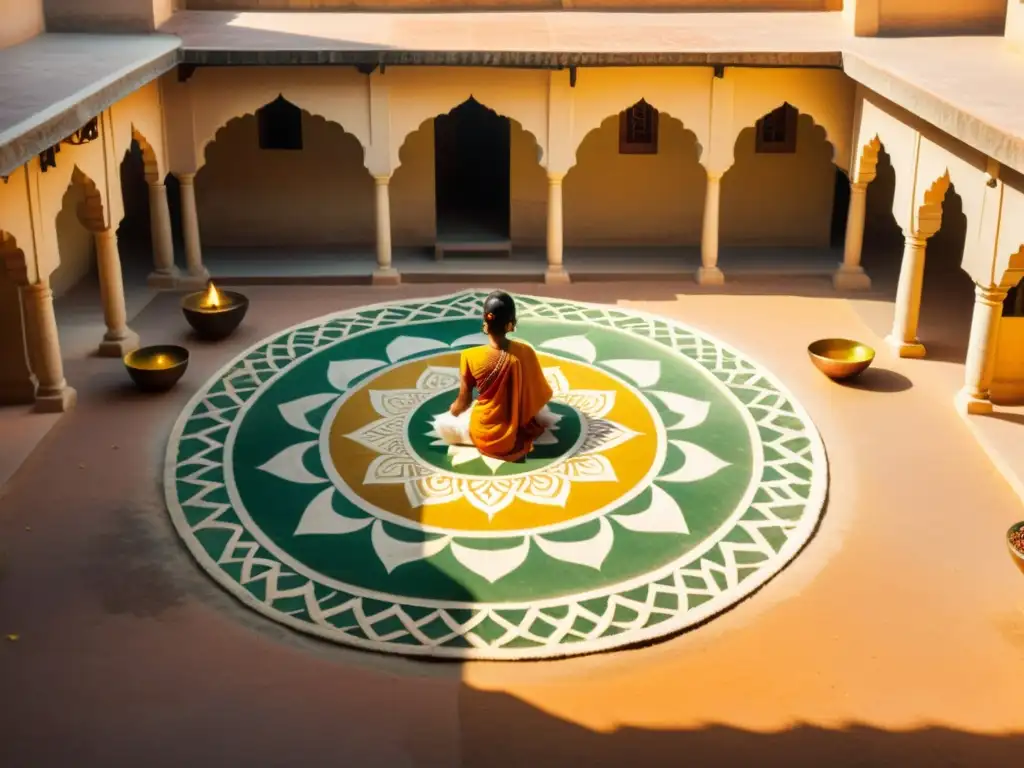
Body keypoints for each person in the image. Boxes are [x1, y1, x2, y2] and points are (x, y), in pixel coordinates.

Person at [433, 291, 556, 462]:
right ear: (511, 325)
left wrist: (452, 412)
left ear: (485, 323)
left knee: (442, 424)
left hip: (483, 434)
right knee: (543, 412)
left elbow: (462, 403)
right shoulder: (525, 352)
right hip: (515, 432)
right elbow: (540, 395)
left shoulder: (469, 356)